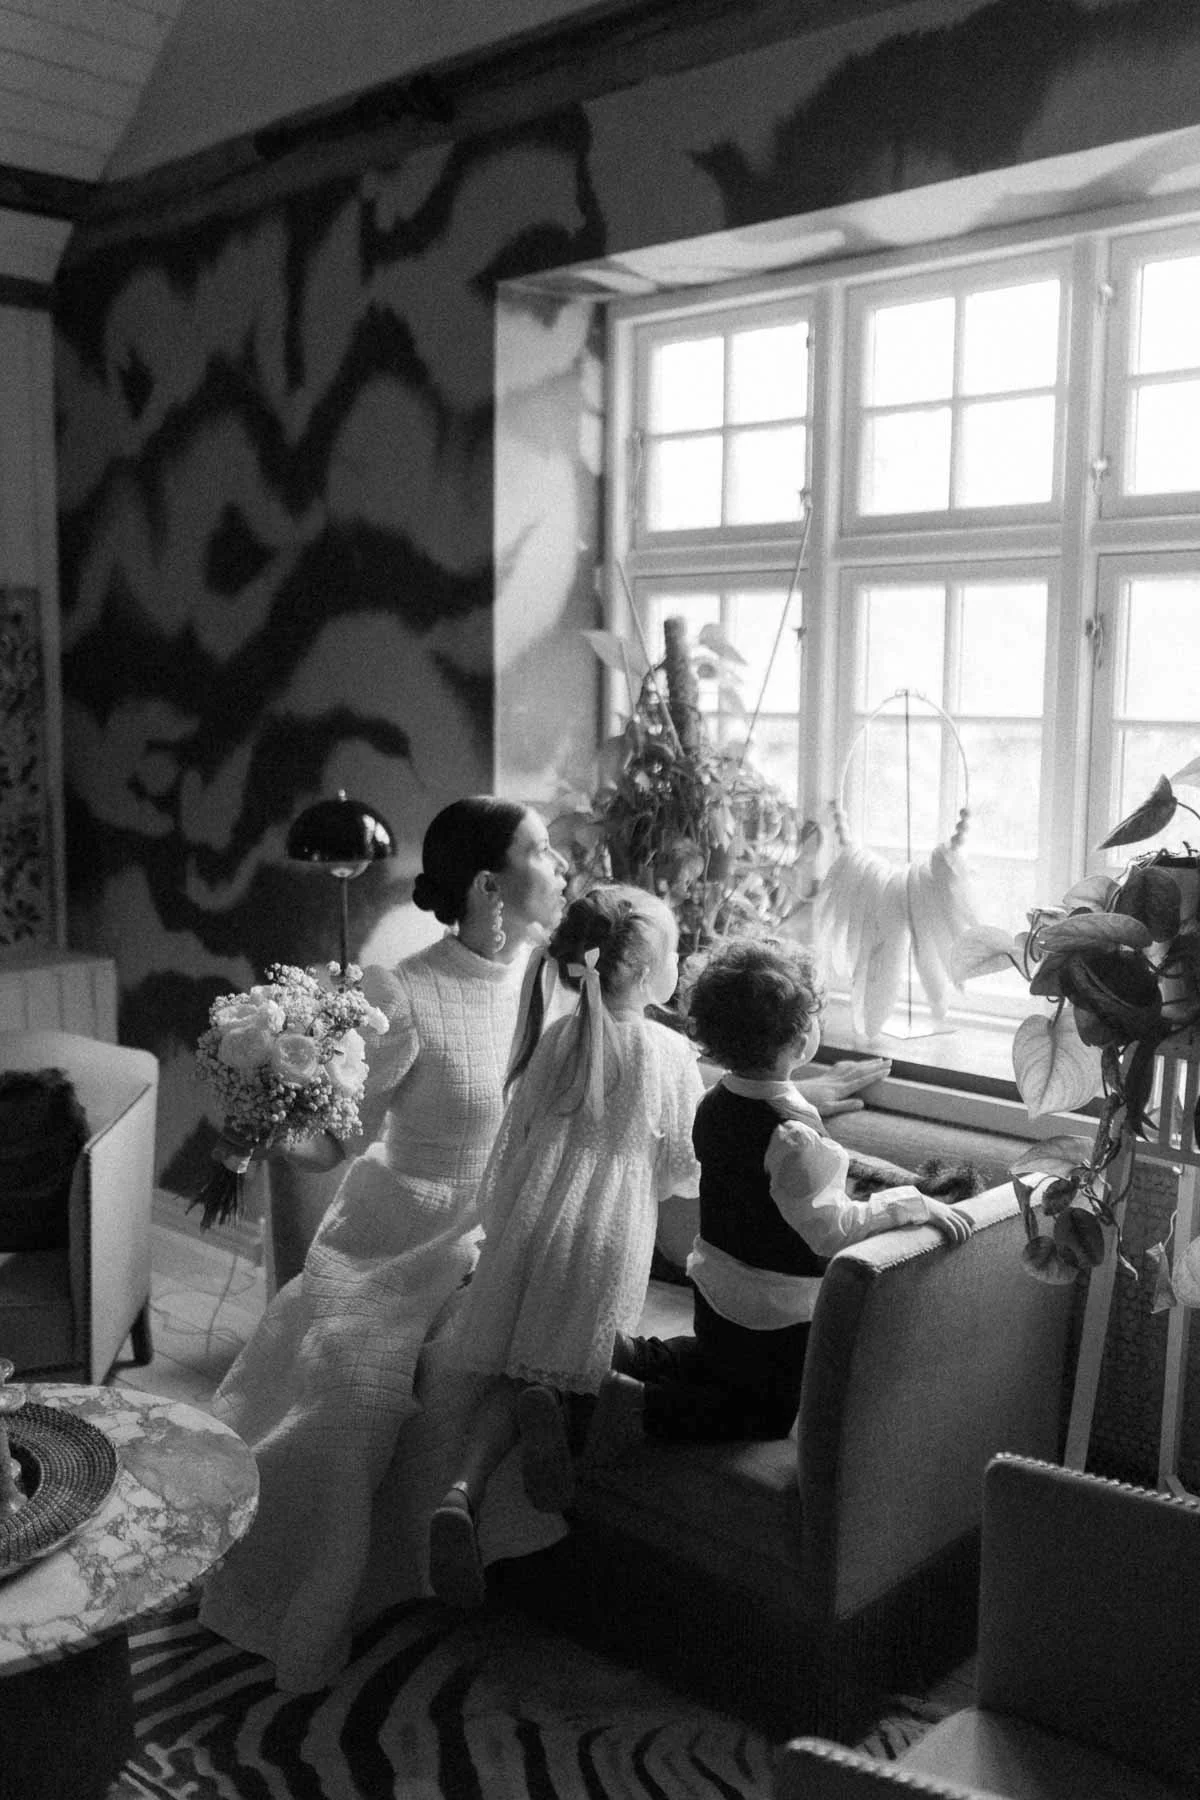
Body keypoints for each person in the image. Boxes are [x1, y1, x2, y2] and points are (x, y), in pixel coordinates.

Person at [198, 795, 569, 1690]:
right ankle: (286, 1585)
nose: (561, 865)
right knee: (353, 1395)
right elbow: (339, 1140)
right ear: (489, 884)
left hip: (498, 1227)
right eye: (544, 852)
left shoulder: (553, 981)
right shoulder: (401, 992)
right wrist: (267, 1120)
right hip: (396, 1233)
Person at [583, 936, 974, 1459]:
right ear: (798, 1038)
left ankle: (634, 1356)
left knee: (716, 1360)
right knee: (763, 1413)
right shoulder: (793, 1138)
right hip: (774, 1307)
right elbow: (830, 1231)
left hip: (717, 1279)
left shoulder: (713, 1103)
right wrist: (910, 1202)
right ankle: (629, 1412)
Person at [426, 884, 704, 1608]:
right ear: (643, 974)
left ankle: (463, 1489)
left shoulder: (557, 1038)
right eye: (673, 952)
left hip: (528, 1229)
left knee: (509, 1370)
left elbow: (513, 1150)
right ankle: (558, 1423)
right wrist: (699, 1264)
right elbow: (679, 1185)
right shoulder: (670, 1053)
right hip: (605, 1243)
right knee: (578, 1359)